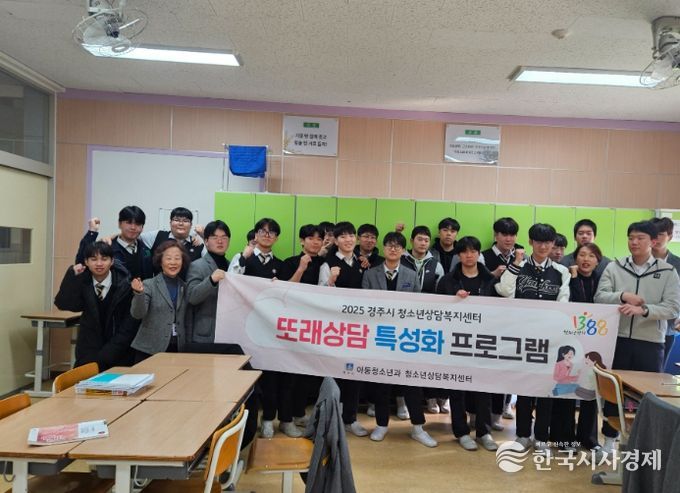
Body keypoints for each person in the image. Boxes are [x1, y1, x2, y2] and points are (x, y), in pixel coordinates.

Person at [594, 220, 680, 453]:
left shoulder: (667, 272)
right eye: (631, 238)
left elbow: (673, 308)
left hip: (650, 342)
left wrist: (644, 310)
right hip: (617, 339)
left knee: (646, 396)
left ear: (653, 241)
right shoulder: (615, 267)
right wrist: (622, 296)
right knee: (615, 391)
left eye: (640, 238)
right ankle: (609, 441)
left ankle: (641, 446)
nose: (634, 242)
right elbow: (600, 297)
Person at [496, 223, 571, 454]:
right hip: (523, 339)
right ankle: (522, 435)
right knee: (524, 388)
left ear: (553, 243)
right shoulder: (519, 266)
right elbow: (505, 291)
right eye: (538, 241)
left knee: (545, 390)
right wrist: (516, 263)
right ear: (530, 242)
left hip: (549, 341)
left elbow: (563, 303)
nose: (543, 246)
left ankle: (541, 438)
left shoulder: (561, 271)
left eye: (548, 242)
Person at [361, 232, 437, 448]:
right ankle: (381, 425)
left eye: (397, 246)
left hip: (405, 338)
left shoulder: (411, 275)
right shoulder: (370, 274)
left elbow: (417, 307)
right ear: (384, 248)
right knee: (381, 384)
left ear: (403, 251)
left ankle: (418, 428)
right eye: (389, 245)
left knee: (412, 383)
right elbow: (364, 306)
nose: (393, 249)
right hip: (380, 337)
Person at [229, 218, 300, 439]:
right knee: (265, 377)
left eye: (272, 232)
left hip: (279, 328)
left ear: (277, 238)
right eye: (263, 231)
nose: (267, 235)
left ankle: (286, 420)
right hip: (251, 328)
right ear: (256, 234)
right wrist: (243, 256)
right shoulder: (243, 259)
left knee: (285, 375)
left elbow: (290, 294)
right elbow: (231, 280)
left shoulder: (282, 264)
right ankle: (267, 420)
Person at [436, 236, 498, 452]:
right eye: (464, 252)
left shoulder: (491, 280)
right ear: (458, 255)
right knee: (457, 389)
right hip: (456, 342)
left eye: (473, 251)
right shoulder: (447, 281)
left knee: (484, 388)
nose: (469, 255)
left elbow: (500, 312)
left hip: (483, 341)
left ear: (479, 254)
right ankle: (461, 432)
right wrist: (453, 300)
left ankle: (484, 431)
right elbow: (437, 311)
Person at [319, 221, 369, 438]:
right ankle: (332, 418)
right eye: (343, 236)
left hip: (357, 329)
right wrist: (331, 279)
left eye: (351, 235)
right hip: (335, 329)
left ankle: (351, 419)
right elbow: (319, 296)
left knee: (354, 373)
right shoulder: (327, 264)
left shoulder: (362, 262)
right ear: (336, 241)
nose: (348, 240)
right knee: (333, 373)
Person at [54, 242, 138, 370]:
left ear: (112, 261)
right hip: (88, 350)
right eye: (93, 259)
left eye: (104, 259)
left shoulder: (125, 285)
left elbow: (130, 324)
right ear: (86, 262)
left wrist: (109, 352)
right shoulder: (83, 281)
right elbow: (63, 303)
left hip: (119, 351)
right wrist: (71, 275)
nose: (99, 263)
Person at [281, 224, 325, 426]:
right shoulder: (290, 262)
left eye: (319, 239)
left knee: (307, 375)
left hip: (316, 328)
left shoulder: (325, 264)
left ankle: (298, 413)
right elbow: (284, 291)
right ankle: (285, 419)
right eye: (310, 238)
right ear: (302, 241)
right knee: (289, 375)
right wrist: (301, 268)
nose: (315, 242)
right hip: (292, 325)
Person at [401, 225, 447, 414]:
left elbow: (441, 291)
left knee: (428, 360)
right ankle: (402, 402)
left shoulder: (436, 264)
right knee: (404, 361)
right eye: (419, 239)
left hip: (428, 320)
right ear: (412, 241)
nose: (423, 243)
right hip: (403, 319)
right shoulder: (401, 260)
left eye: (426, 240)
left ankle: (431, 398)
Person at [481, 216, 523, 422]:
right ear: (495, 235)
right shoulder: (483, 256)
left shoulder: (522, 257)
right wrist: (493, 274)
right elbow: (478, 284)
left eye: (512, 234)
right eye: (504, 234)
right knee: (488, 367)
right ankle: (485, 412)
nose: (509, 239)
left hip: (514, 319)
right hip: (488, 319)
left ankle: (502, 408)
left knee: (509, 366)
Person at [130, 240, 190, 361]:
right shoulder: (149, 284)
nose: (173, 262)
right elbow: (138, 314)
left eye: (177, 258)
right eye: (168, 258)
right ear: (160, 261)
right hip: (149, 349)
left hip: (178, 349)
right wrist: (139, 294)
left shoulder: (185, 286)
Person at [185, 220, 231, 348]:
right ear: (206, 241)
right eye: (215, 237)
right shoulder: (197, 265)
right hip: (205, 334)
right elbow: (192, 297)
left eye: (224, 237)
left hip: (228, 331)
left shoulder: (232, 266)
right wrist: (211, 280)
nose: (220, 241)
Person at [76, 206, 153, 280]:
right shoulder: (107, 247)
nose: (133, 227)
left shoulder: (146, 249)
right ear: (119, 224)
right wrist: (92, 232)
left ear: (142, 227)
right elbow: (81, 263)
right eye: (129, 222)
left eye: (138, 224)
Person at [650, 217, 680, 364]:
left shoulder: (678, 264)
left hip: (668, 326)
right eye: (652, 234)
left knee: (658, 368)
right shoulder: (637, 261)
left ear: (670, 236)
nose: (655, 238)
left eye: (660, 234)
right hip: (638, 326)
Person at [139, 206, 204, 264]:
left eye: (185, 221)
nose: (181, 223)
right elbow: (135, 236)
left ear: (191, 225)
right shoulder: (157, 235)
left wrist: (203, 235)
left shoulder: (197, 245)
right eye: (176, 220)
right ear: (170, 223)